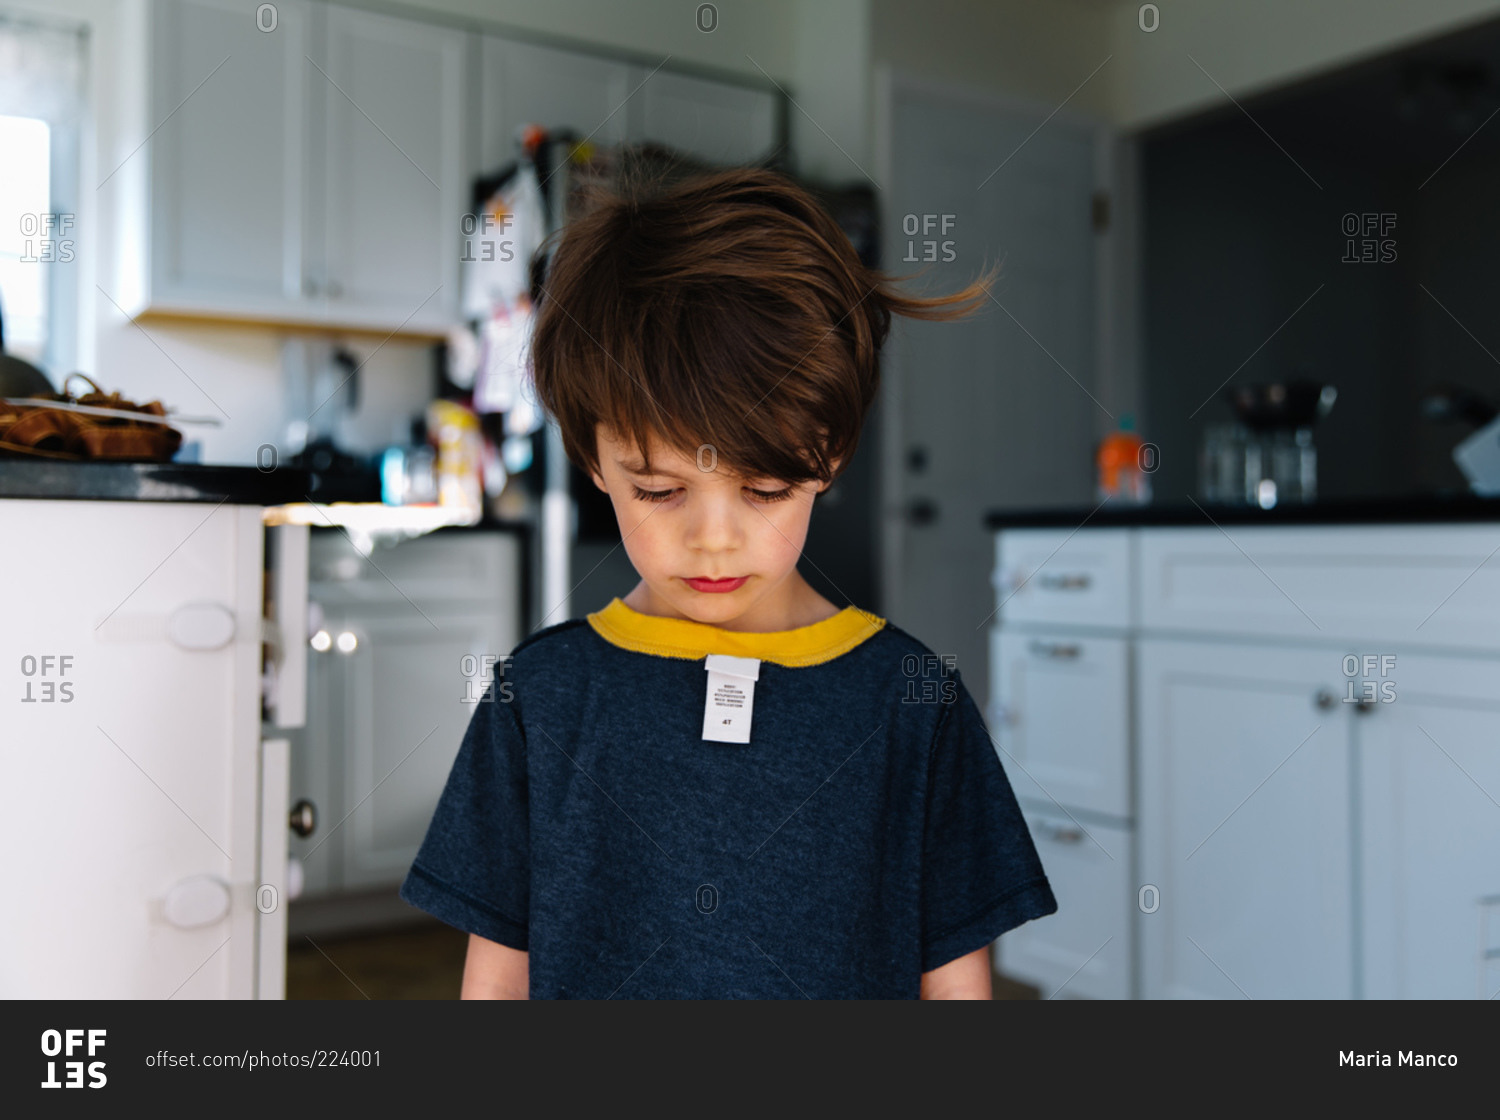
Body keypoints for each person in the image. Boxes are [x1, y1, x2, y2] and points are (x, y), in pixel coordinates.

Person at [399, 166, 1056, 999]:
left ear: (831, 452)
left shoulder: (915, 704)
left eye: (766, 490)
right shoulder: (536, 700)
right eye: (660, 490)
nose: (713, 540)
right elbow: (494, 985)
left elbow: (957, 991)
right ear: (593, 459)